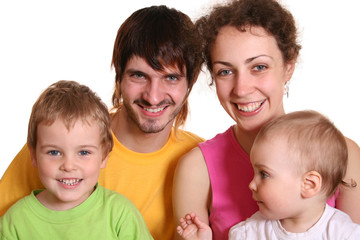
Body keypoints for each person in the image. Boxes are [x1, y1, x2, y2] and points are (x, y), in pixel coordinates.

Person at [0, 5, 203, 240]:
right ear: (119, 74)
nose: (153, 96)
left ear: (190, 81)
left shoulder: (201, 161)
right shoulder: (58, 137)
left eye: (170, 78)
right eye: (138, 75)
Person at [172, 0, 360, 239]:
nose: (241, 89)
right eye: (225, 71)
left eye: (259, 67)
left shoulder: (345, 155)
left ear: (288, 67)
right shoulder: (196, 169)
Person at [0, 80, 153, 239]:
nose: (68, 165)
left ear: (104, 156)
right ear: (33, 155)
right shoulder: (15, 222)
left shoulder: (120, 214)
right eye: (54, 152)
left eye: (84, 152)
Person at [176, 110, 360, 240]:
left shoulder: (344, 233)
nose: (251, 184)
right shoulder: (249, 233)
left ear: (309, 184)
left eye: (263, 174)